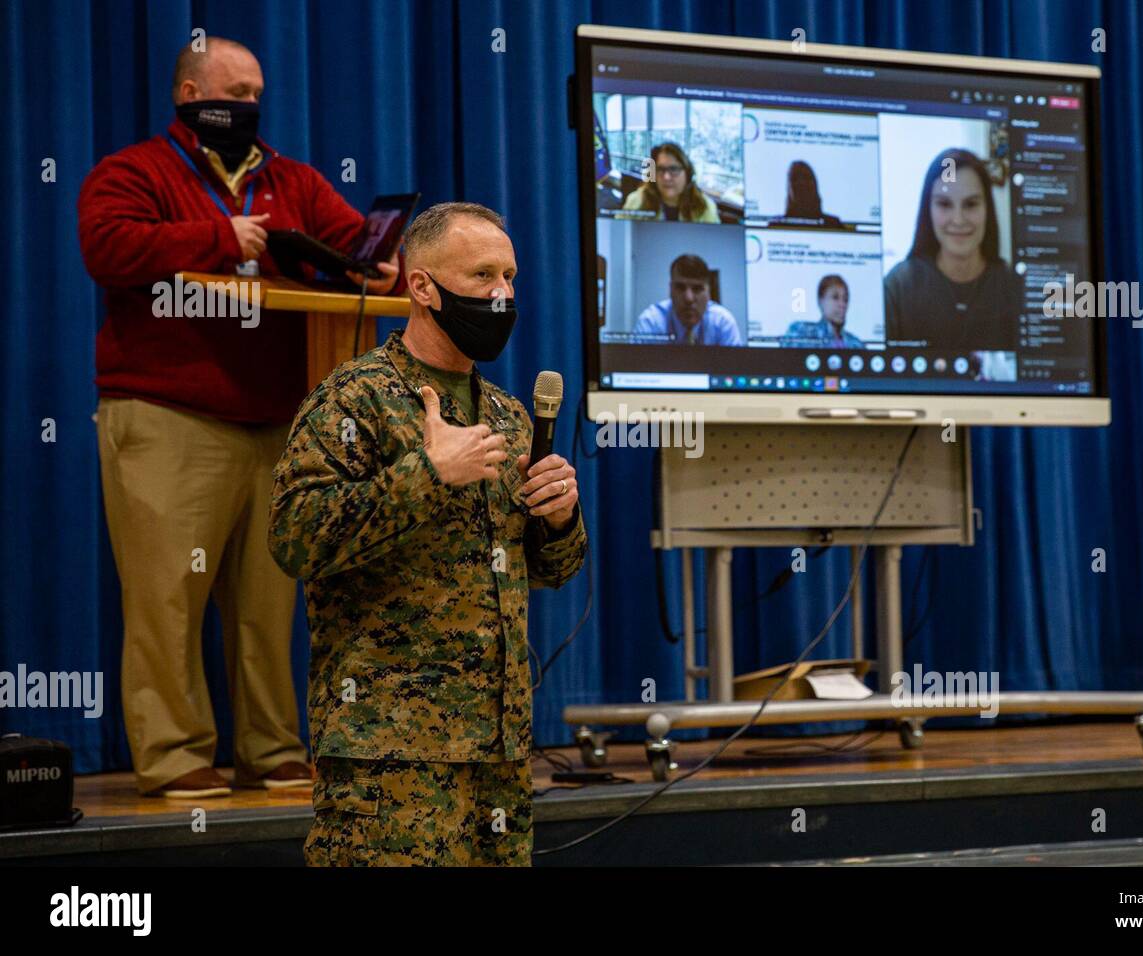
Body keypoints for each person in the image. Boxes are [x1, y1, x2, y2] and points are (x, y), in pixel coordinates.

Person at [78, 37, 400, 799]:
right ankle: (175, 752)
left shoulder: (290, 179)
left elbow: (353, 239)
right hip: (166, 413)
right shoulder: (134, 172)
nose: (248, 107)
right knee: (166, 598)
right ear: (189, 94)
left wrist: (379, 263)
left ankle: (271, 747)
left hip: (277, 420)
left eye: (257, 93)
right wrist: (220, 238)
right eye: (234, 92)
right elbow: (107, 245)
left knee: (268, 601)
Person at [268, 202, 588, 866]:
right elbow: (295, 539)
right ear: (421, 286)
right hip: (390, 752)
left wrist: (560, 519)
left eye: (511, 277)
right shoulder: (353, 401)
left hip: (498, 747)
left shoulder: (508, 413)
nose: (502, 295)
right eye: (482, 277)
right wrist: (427, 475)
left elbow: (546, 570)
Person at [883, 148, 1021, 352]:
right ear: (927, 209)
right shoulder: (898, 286)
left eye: (971, 204)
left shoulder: (1014, 287)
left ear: (987, 209)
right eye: (944, 204)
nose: (958, 220)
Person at [633, 254, 743, 345]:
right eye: (680, 287)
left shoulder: (722, 323)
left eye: (697, 289)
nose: (689, 299)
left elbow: (736, 370)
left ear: (709, 293)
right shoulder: (650, 322)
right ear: (670, 290)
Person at [621, 142, 721, 223]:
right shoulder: (636, 201)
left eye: (674, 169)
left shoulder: (705, 207)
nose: (666, 177)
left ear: (688, 174)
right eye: (660, 169)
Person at [785, 275, 864, 347]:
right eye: (835, 297)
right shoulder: (801, 332)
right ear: (820, 301)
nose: (842, 305)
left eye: (845, 299)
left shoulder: (856, 344)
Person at [773, 160, 842, 227]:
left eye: (806, 177)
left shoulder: (833, 223)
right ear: (789, 188)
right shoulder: (777, 223)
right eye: (795, 179)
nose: (801, 183)